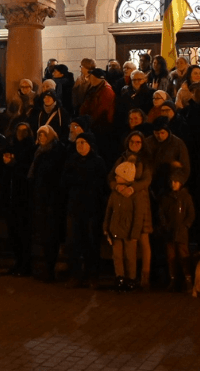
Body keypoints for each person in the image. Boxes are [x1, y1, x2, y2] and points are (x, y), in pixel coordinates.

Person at [61, 132, 109, 288]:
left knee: (91, 243)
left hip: (92, 208)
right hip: (74, 206)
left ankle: (92, 275)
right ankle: (75, 274)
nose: (80, 146)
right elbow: (65, 181)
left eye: (83, 142)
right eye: (78, 143)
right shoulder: (72, 160)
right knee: (73, 242)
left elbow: (100, 184)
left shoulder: (97, 162)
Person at [29, 125, 67, 281]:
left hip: (52, 200)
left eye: (44, 135)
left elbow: (57, 176)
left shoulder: (57, 152)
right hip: (40, 199)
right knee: (44, 235)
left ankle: (51, 268)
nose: (41, 138)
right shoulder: (39, 152)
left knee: (52, 235)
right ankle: (47, 266)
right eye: (39, 135)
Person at [104, 161, 148, 291]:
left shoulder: (135, 195)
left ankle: (131, 278)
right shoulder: (115, 193)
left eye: (118, 175)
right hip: (116, 230)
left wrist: (135, 233)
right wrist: (106, 227)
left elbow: (138, 215)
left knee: (130, 256)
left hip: (129, 231)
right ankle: (120, 277)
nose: (116, 177)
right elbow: (109, 211)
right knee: (117, 255)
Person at [5, 123, 36, 276]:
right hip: (13, 195)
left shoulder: (30, 149)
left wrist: (14, 164)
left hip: (24, 195)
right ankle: (18, 262)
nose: (21, 133)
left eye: (24, 130)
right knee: (14, 232)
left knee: (24, 232)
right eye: (19, 130)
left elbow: (27, 169)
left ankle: (25, 264)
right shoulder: (12, 146)